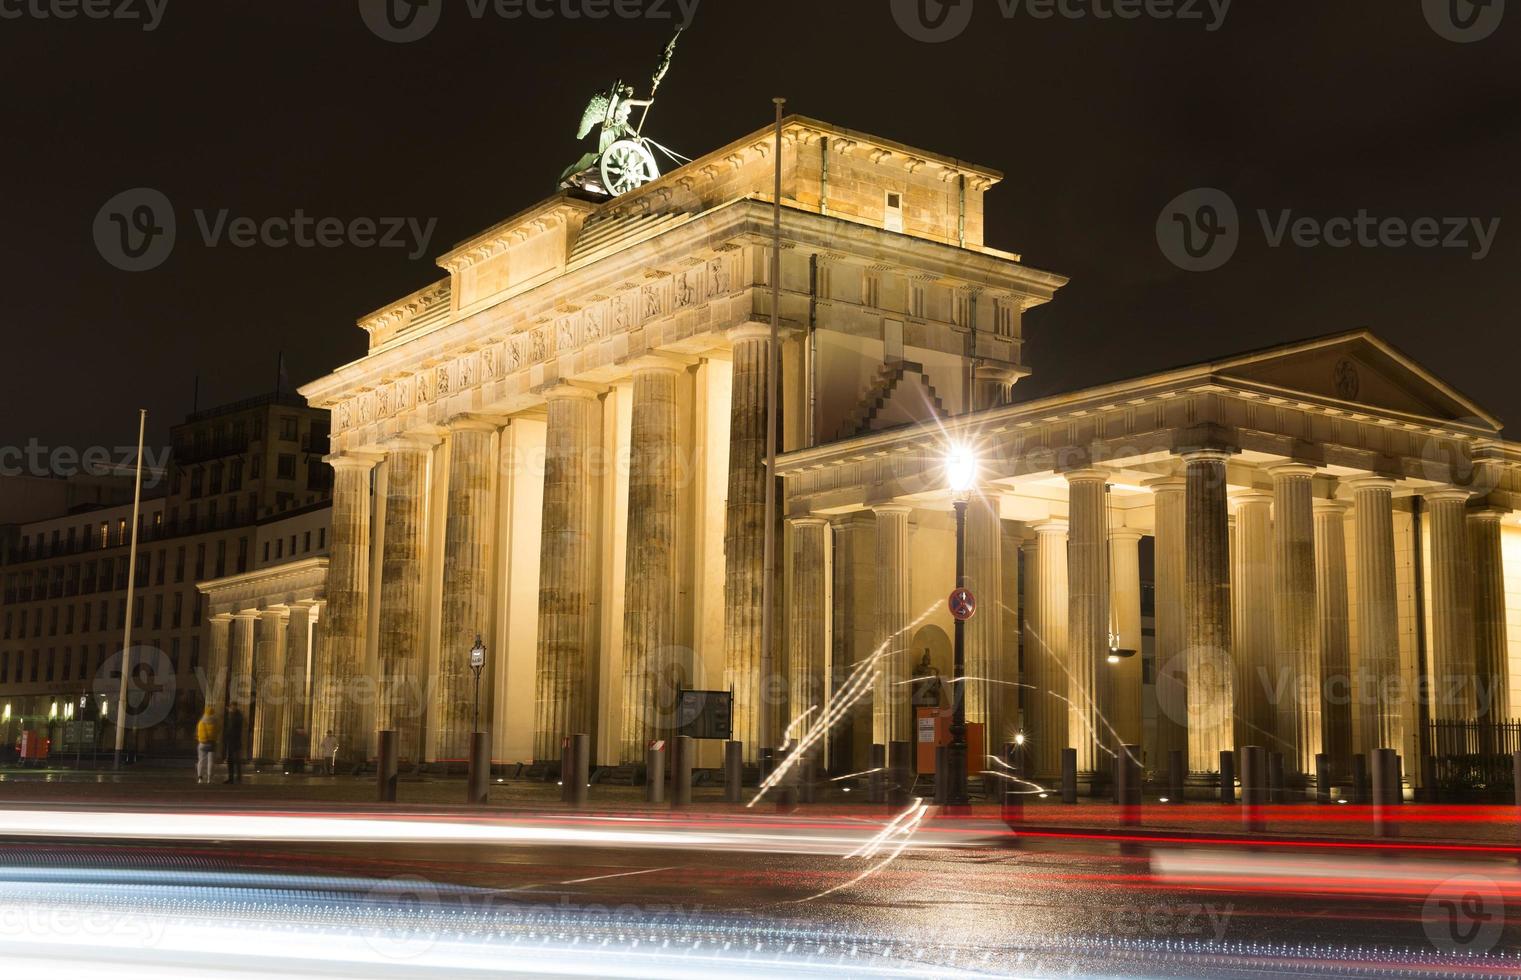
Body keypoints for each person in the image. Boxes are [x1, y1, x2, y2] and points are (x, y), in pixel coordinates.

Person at [195, 706, 220, 784]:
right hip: (212, 743)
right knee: (211, 762)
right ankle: (209, 778)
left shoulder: (201, 722)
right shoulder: (215, 722)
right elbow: (218, 731)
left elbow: (199, 733)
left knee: (201, 761)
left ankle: (200, 778)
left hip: (203, 743)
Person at [222, 705, 245, 784]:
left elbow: (232, 728)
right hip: (233, 741)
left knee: (235, 760)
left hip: (235, 742)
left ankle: (236, 777)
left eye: (231, 708)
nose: (230, 709)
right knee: (232, 760)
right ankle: (232, 777)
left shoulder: (236, 717)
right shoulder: (235, 716)